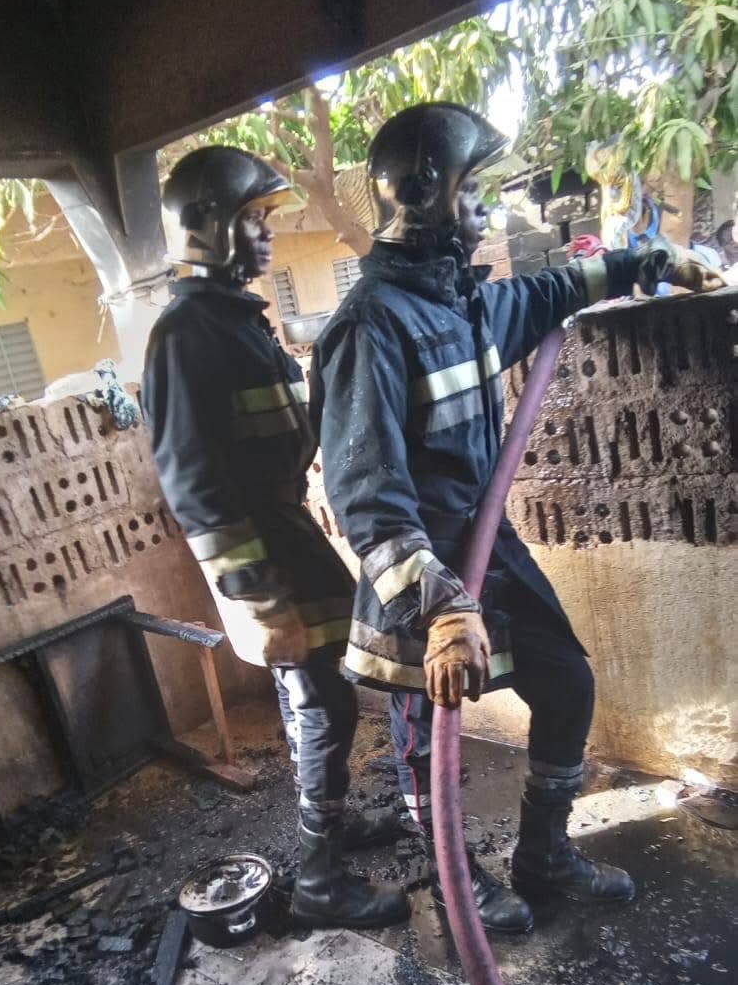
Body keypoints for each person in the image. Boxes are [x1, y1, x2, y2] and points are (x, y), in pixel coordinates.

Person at [310, 102, 725, 936]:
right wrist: (440, 609)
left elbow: (562, 286)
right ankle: (454, 881)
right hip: (420, 578)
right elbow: (366, 493)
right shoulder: (370, 326)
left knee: (566, 684)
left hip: (488, 550)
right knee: (430, 741)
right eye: (473, 192)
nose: (485, 209)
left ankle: (542, 856)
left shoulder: (465, 304)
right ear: (426, 196)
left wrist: (658, 262)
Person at [141, 147, 408, 930]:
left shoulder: (236, 321)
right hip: (264, 557)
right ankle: (320, 879)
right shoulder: (185, 335)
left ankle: (333, 828)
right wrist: (257, 600)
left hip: (289, 536)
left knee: (319, 697)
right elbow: (192, 482)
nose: (265, 233)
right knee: (323, 702)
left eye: (266, 219)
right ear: (205, 225)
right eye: (252, 219)